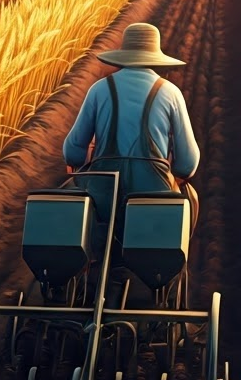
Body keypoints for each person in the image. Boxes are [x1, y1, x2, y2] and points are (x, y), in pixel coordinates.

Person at [63, 22, 200, 236]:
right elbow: (188, 162)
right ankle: (174, 268)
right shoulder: (171, 93)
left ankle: (89, 263)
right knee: (190, 199)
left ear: (123, 55)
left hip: (102, 194)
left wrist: (83, 162)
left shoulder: (99, 90)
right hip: (154, 193)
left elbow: (72, 151)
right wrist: (175, 175)